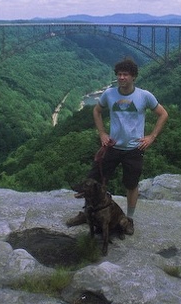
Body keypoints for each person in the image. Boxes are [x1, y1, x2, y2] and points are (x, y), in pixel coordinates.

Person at [68, 58, 169, 229]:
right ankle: (87, 213)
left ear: (133, 77)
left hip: (134, 149)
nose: (122, 78)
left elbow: (163, 114)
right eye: (119, 74)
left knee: (131, 185)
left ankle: (128, 219)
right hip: (112, 147)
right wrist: (102, 133)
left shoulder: (144, 96)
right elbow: (97, 110)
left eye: (126, 75)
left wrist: (151, 137)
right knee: (93, 180)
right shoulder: (109, 94)